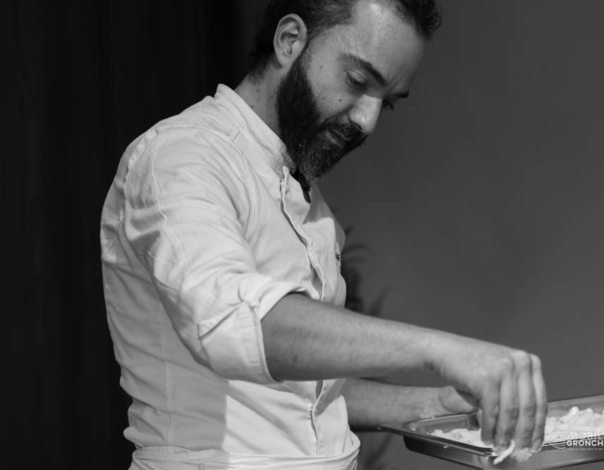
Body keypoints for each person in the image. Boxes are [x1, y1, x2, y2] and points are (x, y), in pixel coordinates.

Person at [100, 1, 547, 469]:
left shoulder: (306, 197)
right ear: (289, 40)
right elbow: (230, 321)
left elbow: (304, 395)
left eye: (386, 101)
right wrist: (442, 349)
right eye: (357, 81)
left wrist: (433, 405)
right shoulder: (180, 156)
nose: (368, 121)